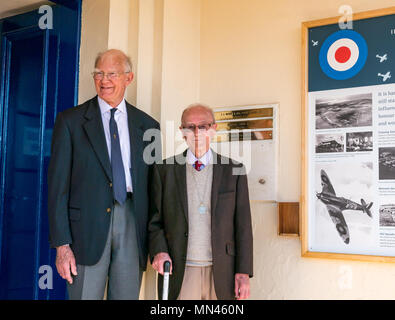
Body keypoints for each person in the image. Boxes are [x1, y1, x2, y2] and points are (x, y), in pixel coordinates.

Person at [48, 49, 161, 300]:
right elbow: (57, 187)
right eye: (98, 73)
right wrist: (61, 244)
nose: (104, 80)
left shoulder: (149, 126)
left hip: (133, 223)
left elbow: (155, 189)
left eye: (112, 74)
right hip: (85, 230)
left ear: (128, 78)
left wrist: (158, 243)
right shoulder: (70, 121)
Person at [148, 104, 253, 300]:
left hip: (222, 271)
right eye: (190, 127)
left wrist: (243, 272)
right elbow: (155, 221)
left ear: (214, 129)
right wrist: (159, 251)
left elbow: (243, 226)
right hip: (180, 271)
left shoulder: (234, 170)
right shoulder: (164, 171)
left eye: (203, 126)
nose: (197, 132)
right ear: (182, 132)